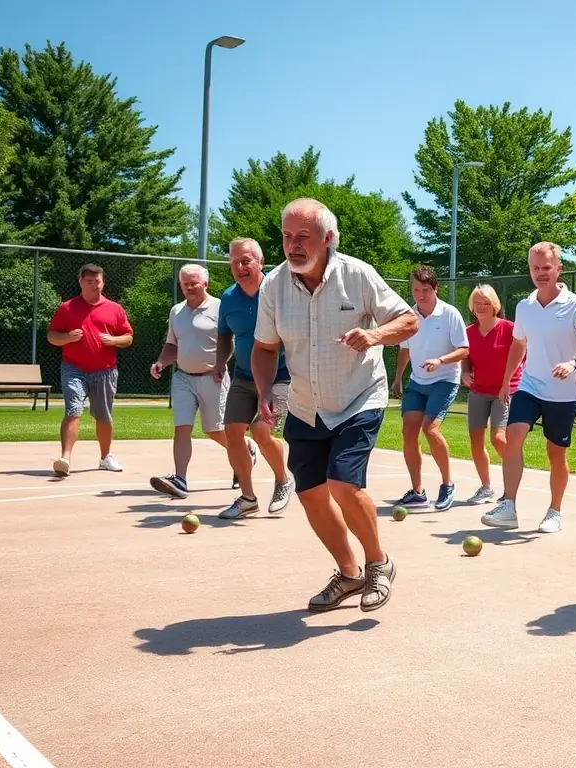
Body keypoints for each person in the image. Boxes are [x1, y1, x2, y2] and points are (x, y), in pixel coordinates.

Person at [252, 197, 418, 613]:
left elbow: (409, 320)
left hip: (358, 397)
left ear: (327, 238)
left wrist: (376, 336)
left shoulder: (357, 275)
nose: (292, 246)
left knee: (344, 483)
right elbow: (264, 347)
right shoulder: (274, 285)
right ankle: (348, 573)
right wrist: (263, 391)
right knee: (310, 494)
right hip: (306, 403)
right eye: (287, 236)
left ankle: (378, 563)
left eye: (303, 237)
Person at [481, 241, 576, 533]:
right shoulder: (525, 306)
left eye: (546, 267)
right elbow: (519, 344)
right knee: (513, 435)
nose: (541, 273)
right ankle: (508, 505)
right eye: (535, 268)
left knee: (555, 453)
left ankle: (554, 511)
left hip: (564, 392)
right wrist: (508, 380)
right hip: (530, 386)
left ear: (558, 268)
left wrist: (573, 363)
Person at [213, 238, 296, 520]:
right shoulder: (228, 298)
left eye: (246, 261)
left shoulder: (279, 288)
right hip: (244, 376)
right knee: (232, 432)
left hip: (281, 376)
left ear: (260, 262)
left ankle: (283, 480)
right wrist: (219, 362)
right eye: (234, 262)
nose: (239, 267)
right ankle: (248, 498)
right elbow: (225, 335)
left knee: (261, 432)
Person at [149, 263, 245, 499]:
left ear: (205, 283)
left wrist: (221, 364)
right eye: (185, 283)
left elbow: (229, 342)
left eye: (194, 283)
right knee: (182, 427)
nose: (189, 287)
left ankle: (246, 452)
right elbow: (172, 344)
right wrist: (162, 362)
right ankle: (180, 479)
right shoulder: (176, 311)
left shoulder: (220, 307)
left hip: (213, 377)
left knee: (215, 430)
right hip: (183, 377)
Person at [392, 265, 469, 511]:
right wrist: (398, 378)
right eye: (416, 290)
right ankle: (417, 492)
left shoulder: (450, 314)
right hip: (417, 382)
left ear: (435, 288)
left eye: (425, 290)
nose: (420, 295)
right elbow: (404, 349)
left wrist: (441, 361)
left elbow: (464, 349)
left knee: (431, 429)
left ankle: (448, 484)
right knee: (408, 431)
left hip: (445, 380)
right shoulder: (408, 315)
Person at [46, 263, 133, 477]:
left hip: (105, 370)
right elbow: (52, 336)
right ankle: (65, 458)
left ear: (103, 282)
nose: (94, 285)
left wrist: (113, 340)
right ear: (80, 282)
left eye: (98, 281)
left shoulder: (114, 308)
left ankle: (106, 457)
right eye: (89, 281)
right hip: (73, 368)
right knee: (73, 408)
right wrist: (67, 337)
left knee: (103, 415)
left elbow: (128, 337)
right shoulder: (67, 307)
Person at [460, 283, 524, 504]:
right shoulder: (468, 332)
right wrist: (465, 372)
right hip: (478, 391)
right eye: (477, 303)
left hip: (505, 391)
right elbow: (464, 356)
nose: (481, 307)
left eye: (486, 303)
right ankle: (486, 487)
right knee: (475, 441)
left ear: (495, 305)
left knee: (498, 438)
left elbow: (522, 356)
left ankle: (510, 487)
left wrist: (507, 382)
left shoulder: (509, 329)